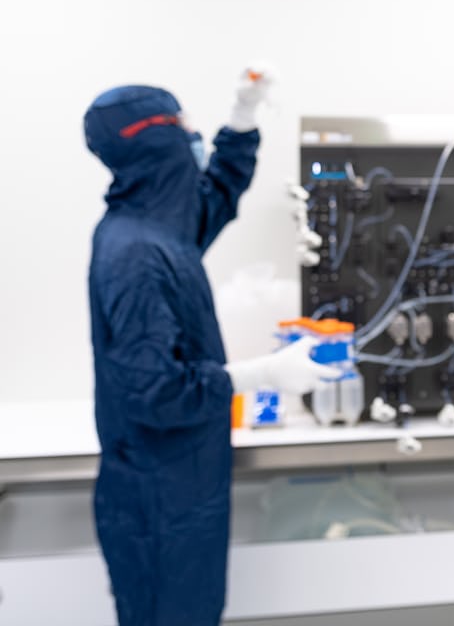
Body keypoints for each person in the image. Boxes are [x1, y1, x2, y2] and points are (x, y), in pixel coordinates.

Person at [84, 69, 338, 625]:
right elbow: (155, 391)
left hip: (184, 487)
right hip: (159, 506)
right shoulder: (135, 256)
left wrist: (243, 118)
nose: (193, 134)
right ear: (154, 139)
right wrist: (262, 374)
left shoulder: (160, 229)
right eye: (182, 124)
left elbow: (217, 192)